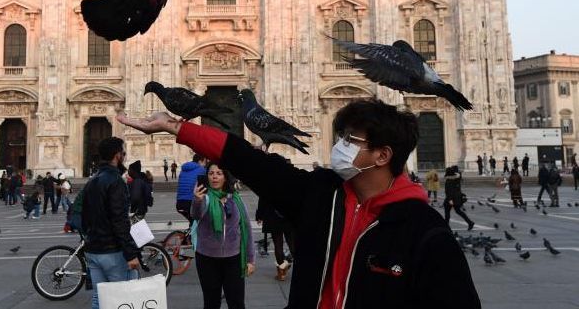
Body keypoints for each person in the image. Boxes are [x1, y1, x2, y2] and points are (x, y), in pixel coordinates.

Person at [118, 99, 481, 308]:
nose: (339, 146)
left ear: (383, 155)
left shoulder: (426, 235)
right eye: (340, 137)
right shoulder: (321, 198)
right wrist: (176, 128)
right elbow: (252, 163)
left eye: (350, 139)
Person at [81, 137, 140, 309]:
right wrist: (130, 253)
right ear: (117, 156)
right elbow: (119, 220)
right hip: (112, 251)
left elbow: (84, 216)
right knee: (122, 300)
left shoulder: (92, 180)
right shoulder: (115, 181)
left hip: (93, 250)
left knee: (100, 299)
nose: (125, 156)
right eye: (123, 152)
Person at [191, 164, 255, 308]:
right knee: (211, 303)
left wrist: (250, 259)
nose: (214, 176)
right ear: (207, 176)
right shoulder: (204, 197)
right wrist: (197, 200)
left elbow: (246, 228)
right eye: (211, 173)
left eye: (219, 173)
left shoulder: (236, 200)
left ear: (225, 177)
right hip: (207, 259)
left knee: (237, 303)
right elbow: (195, 215)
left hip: (234, 259)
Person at [256, 193, 293, 281]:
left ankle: (281, 272)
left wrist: (259, 215)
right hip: (289, 215)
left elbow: (262, 199)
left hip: (273, 216)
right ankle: (302, 269)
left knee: (278, 244)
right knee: (292, 243)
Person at [176, 154, 207, 223]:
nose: (205, 164)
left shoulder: (183, 170)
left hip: (179, 202)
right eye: (204, 162)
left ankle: (189, 232)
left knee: (193, 223)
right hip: (190, 202)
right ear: (200, 161)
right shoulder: (202, 170)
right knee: (201, 221)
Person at [443, 166, 475, 231]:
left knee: (447, 212)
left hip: (452, 198)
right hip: (457, 198)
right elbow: (458, 176)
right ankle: (470, 222)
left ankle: (446, 227)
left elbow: (449, 191)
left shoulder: (449, 180)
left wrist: (450, 199)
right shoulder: (457, 179)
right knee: (458, 211)